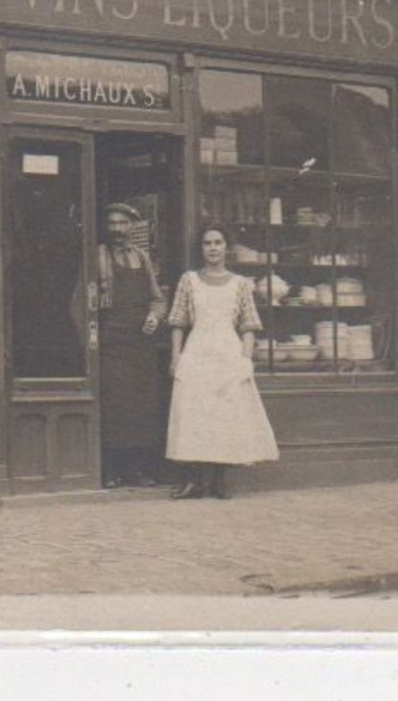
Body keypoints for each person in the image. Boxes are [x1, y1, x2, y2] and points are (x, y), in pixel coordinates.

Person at [165, 221, 280, 499]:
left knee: (224, 416)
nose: (213, 248)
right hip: (197, 353)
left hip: (227, 353)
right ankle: (194, 481)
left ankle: (219, 480)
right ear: (201, 248)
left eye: (218, 243)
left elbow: (249, 325)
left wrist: (245, 359)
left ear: (226, 247)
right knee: (194, 414)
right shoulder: (189, 280)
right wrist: (176, 356)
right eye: (207, 243)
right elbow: (178, 321)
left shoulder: (240, 284)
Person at [96, 202, 167, 488]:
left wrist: (154, 316)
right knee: (115, 408)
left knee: (141, 408)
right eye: (112, 224)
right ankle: (111, 470)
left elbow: (158, 298)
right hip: (112, 342)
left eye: (123, 224)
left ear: (132, 227)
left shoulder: (142, 257)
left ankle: (136, 470)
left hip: (141, 345)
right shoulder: (97, 255)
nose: (117, 230)